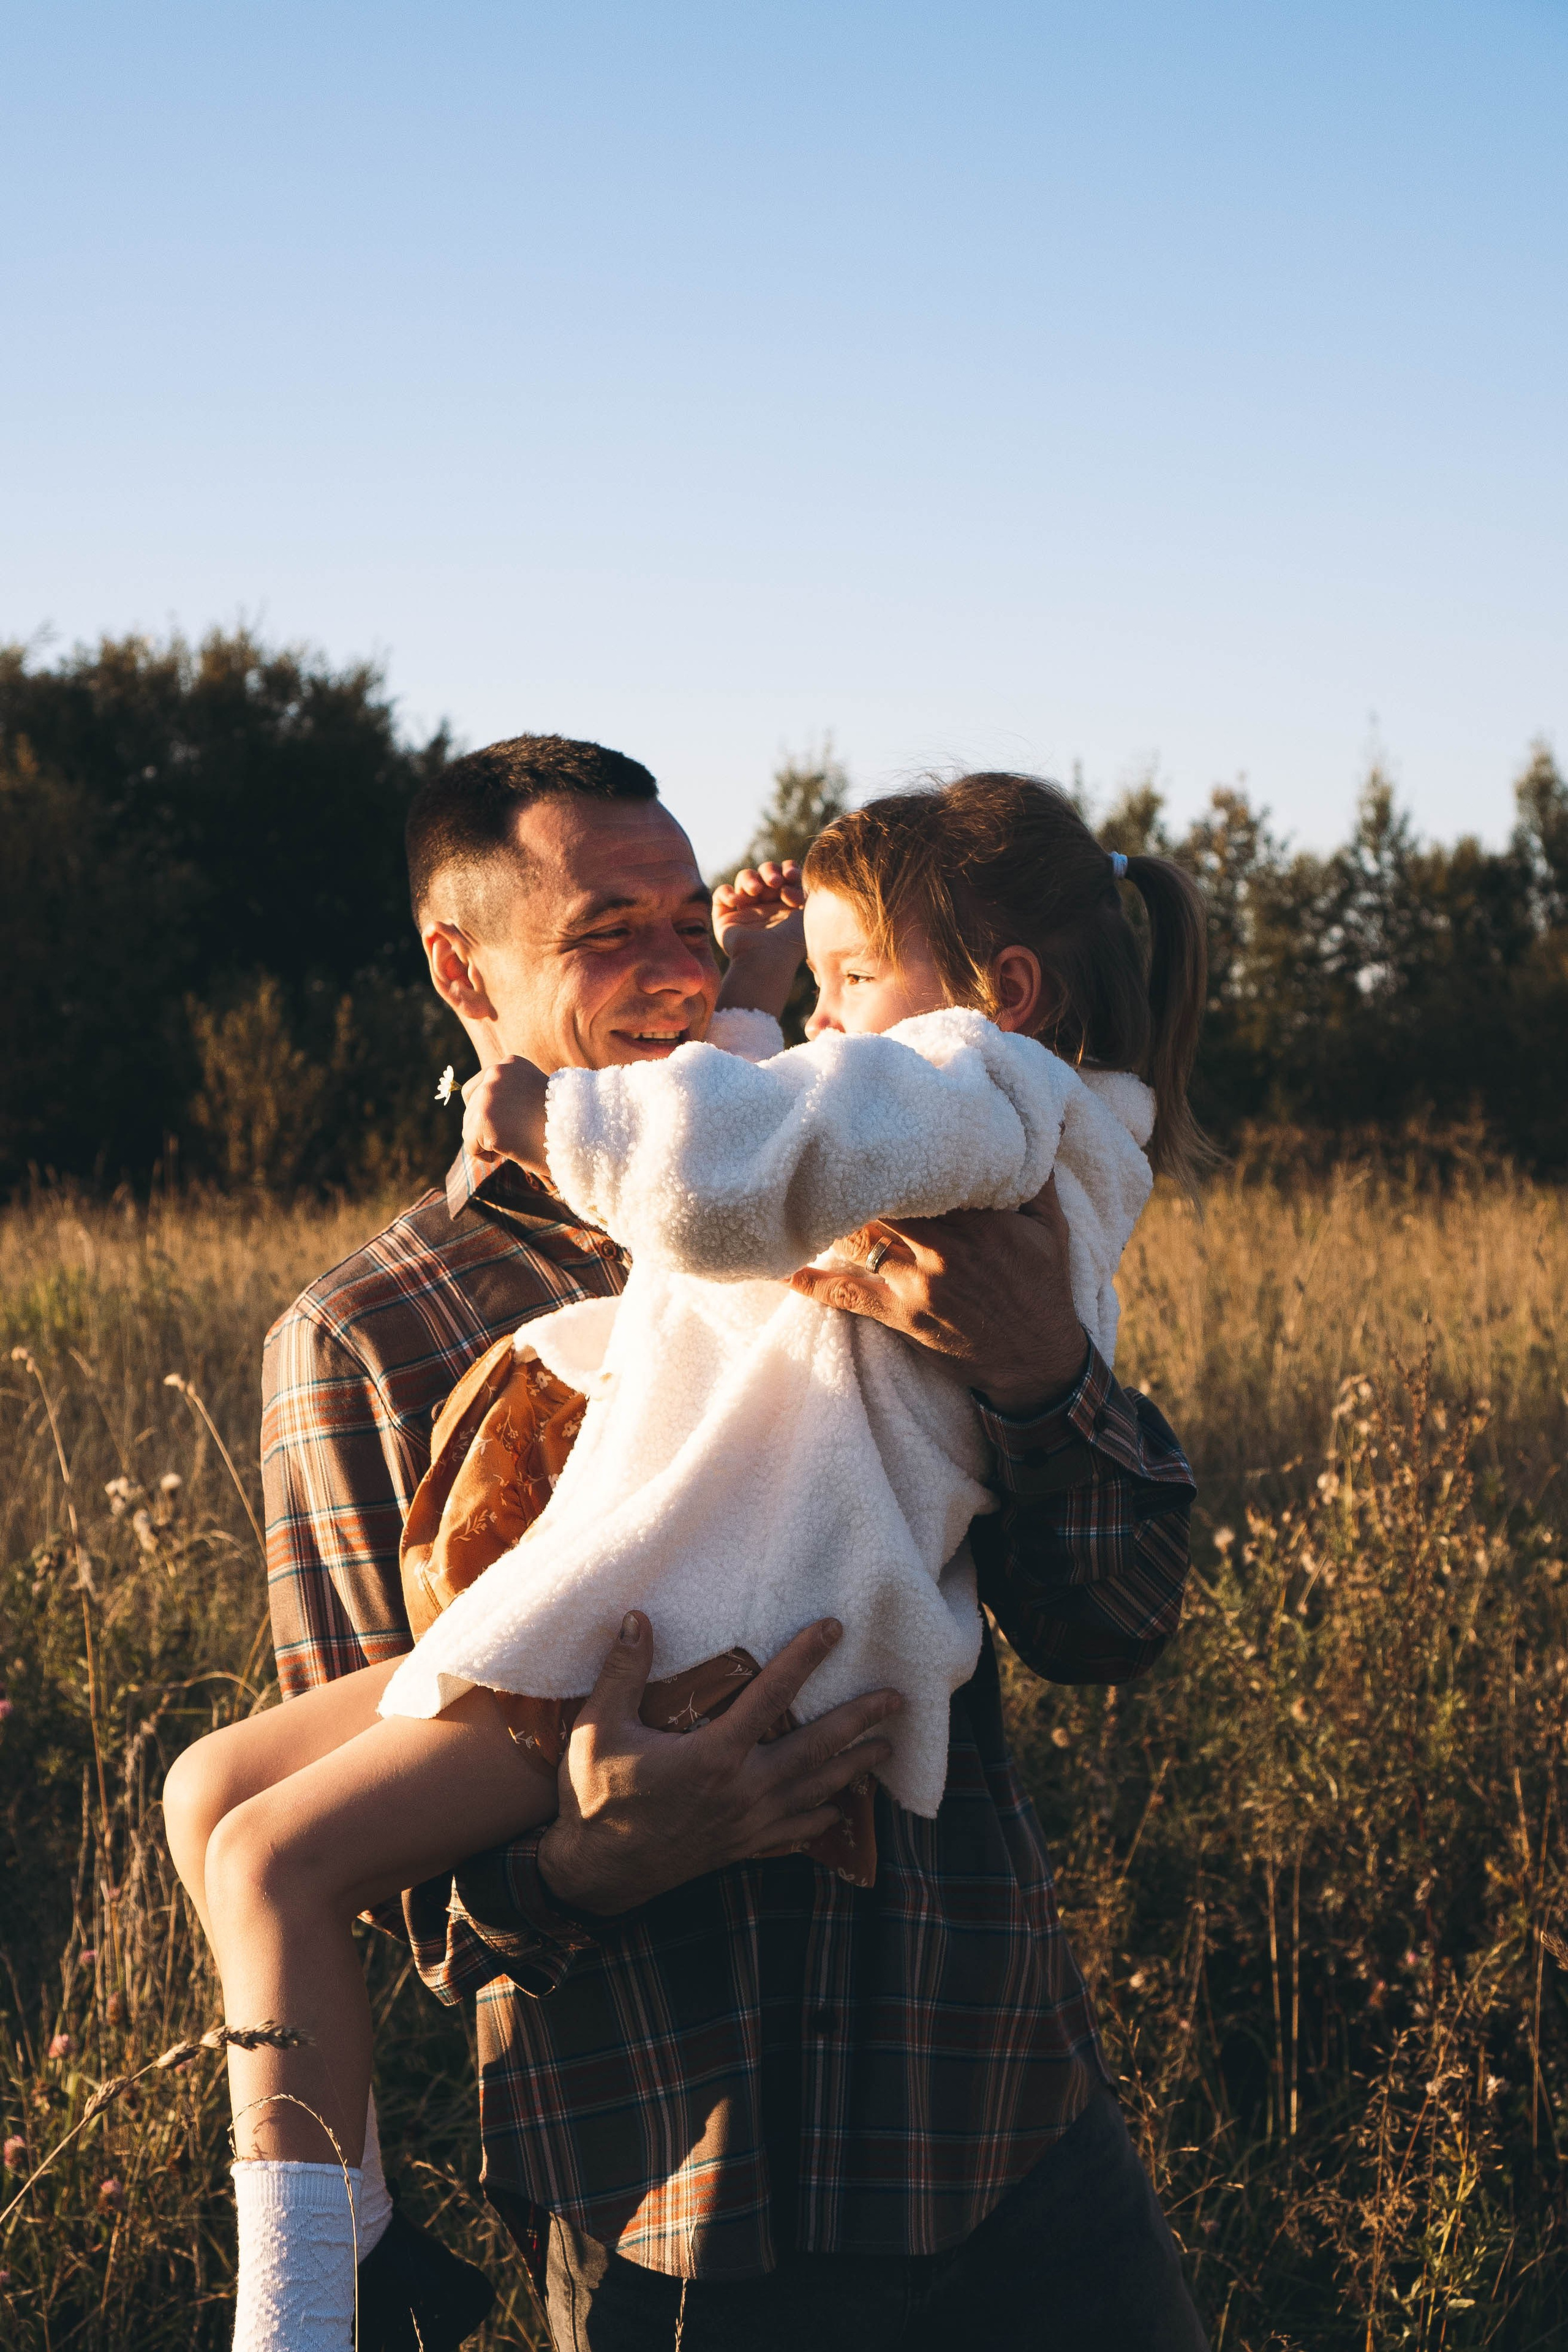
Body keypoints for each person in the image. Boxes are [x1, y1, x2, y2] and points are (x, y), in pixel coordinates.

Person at [170, 736, 1207, 2350]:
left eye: (692, 927)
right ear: (462, 968)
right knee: (220, 1801)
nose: (677, 971)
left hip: (990, 2101)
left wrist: (1040, 1374)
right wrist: (597, 1858)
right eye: (610, 934)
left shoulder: (904, 1166)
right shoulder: (370, 1334)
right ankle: (347, 2268)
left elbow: (1119, 1622)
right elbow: (400, 1907)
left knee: (257, 1849)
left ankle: (317, 2304)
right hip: (683, 2203)